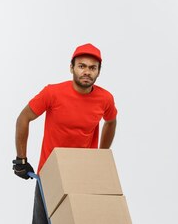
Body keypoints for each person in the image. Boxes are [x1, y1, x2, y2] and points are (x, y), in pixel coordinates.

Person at [12, 43, 118, 224]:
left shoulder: (105, 99)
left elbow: (110, 121)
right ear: (72, 68)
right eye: (82, 66)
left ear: (99, 72)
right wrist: (21, 159)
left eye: (92, 68)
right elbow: (23, 118)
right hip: (50, 173)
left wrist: (101, 155)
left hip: (83, 173)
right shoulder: (52, 93)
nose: (87, 72)